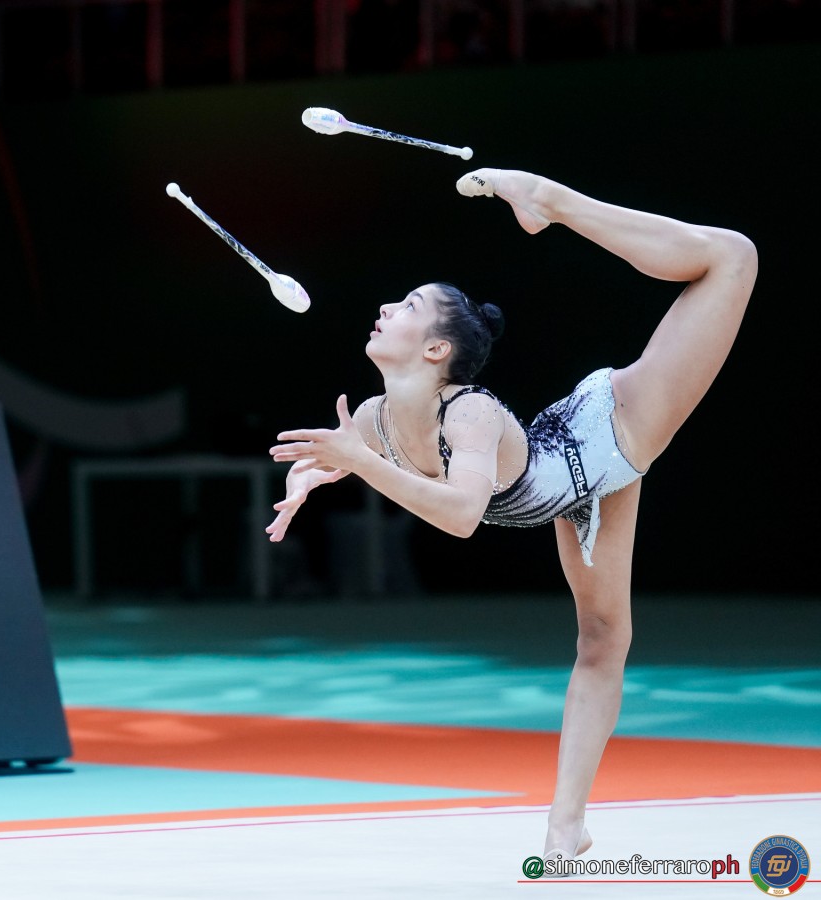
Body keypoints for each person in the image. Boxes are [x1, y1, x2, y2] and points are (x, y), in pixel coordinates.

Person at [263, 167, 757, 864]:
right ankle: (567, 827)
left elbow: (462, 516)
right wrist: (314, 474)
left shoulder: (471, 413)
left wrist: (359, 463)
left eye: (408, 304)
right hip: (569, 483)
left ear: (437, 350)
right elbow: (349, 457)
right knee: (602, 641)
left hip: (611, 429)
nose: (387, 306)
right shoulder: (376, 420)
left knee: (733, 255)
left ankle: (555, 201)